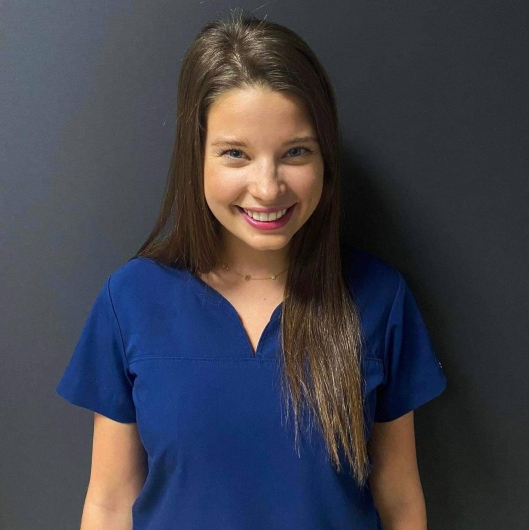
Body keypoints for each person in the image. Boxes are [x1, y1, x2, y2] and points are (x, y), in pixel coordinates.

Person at [56, 9, 447, 530]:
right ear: (196, 157)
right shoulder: (130, 300)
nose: (267, 187)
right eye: (235, 153)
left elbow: (399, 501)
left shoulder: (378, 297)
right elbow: (109, 502)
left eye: (295, 152)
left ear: (325, 160)